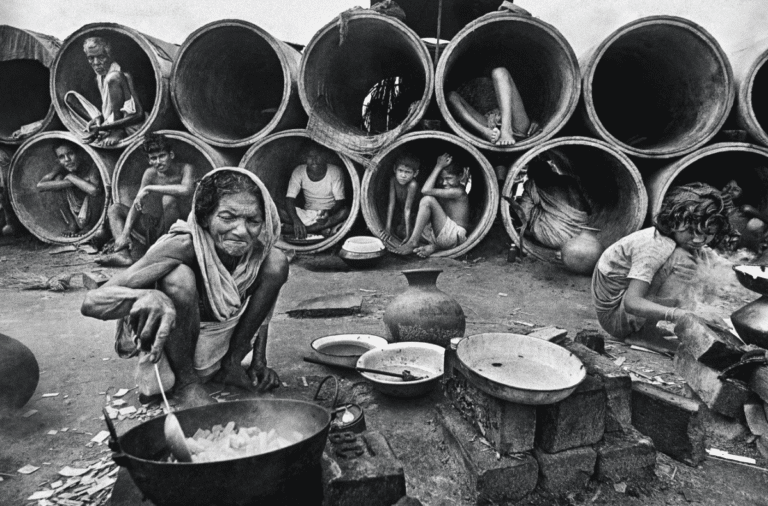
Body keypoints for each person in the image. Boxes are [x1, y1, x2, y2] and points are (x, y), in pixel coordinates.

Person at [81, 168, 288, 408]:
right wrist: (146, 296)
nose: (241, 231)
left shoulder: (255, 253)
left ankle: (231, 363)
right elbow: (91, 301)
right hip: (177, 349)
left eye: (252, 221)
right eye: (228, 217)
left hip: (220, 345)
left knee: (276, 261)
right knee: (177, 278)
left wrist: (258, 360)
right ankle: (187, 384)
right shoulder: (182, 245)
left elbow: (266, 307)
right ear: (205, 217)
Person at [591, 183, 731, 354]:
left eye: (707, 233)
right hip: (616, 318)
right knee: (682, 260)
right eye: (691, 231)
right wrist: (679, 314)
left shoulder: (681, 242)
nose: (698, 239)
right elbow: (632, 302)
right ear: (673, 221)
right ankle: (643, 334)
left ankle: (646, 328)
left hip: (626, 311)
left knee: (701, 260)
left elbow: (724, 268)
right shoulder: (655, 246)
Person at [98, 133, 194, 267]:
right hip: (155, 225)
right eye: (153, 158)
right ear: (149, 160)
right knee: (115, 209)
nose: (158, 162)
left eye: (162, 156)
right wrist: (125, 233)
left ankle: (166, 249)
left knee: (168, 199)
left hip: (179, 228)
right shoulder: (150, 173)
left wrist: (150, 188)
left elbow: (186, 189)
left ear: (171, 155)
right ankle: (123, 255)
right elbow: (137, 204)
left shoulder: (185, 168)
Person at [64, 36, 145, 147]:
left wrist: (104, 128)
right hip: (110, 123)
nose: (96, 63)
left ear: (109, 56)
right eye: (91, 58)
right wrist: (99, 120)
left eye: (101, 57)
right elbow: (111, 109)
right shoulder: (99, 78)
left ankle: (117, 130)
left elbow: (139, 115)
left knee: (113, 77)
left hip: (130, 125)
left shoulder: (120, 76)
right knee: (70, 98)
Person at [511, 149, 592, 249]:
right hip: (583, 234)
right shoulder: (569, 180)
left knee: (536, 209)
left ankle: (533, 234)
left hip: (555, 236)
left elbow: (523, 214)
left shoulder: (533, 185)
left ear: (531, 175)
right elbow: (586, 209)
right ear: (550, 169)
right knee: (543, 205)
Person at [395, 153, 470, 257]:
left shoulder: (458, 192)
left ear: (461, 176)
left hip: (454, 235)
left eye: (449, 178)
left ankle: (413, 242)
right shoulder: (445, 189)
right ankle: (434, 246)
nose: (444, 183)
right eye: (441, 179)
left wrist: (438, 166)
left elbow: (425, 190)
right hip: (442, 235)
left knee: (427, 200)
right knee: (401, 230)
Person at [447, 66, 538, 146]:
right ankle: (485, 132)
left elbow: (501, 73)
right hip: (490, 128)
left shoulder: (504, 95)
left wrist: (505, 128)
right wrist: (484, 131)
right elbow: (451, 97)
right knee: (451, 96)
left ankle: (506, 130)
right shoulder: (488, 114)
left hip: (515, 127)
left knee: (499, 72)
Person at [279, 147, 349, 240]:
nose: (314, 160)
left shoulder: (335, 171)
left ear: (325, 157)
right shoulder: (299, 171)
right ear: (305, 158)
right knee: (276, 208)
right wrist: (296, 221)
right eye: (310, 157)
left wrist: (329, 213)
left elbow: (340, 201)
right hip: (306, 214)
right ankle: (315, 229)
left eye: (318, 156)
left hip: (326, 215)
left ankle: (301, 230)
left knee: (345, 212)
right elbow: (289, 199)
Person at [36, 140, 102, 237]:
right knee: (57, 180)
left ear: (79, 153)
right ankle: (72, 224)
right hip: (75, 207)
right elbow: (40, 186)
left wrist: (72, 177)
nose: (67, 159)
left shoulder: (91, 165)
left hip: (92, 209)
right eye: (61, 157)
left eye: (70, 153)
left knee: (97, 188)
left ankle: (90, 226)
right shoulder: (60, 167)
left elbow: (94, 191)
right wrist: (74, 182)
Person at [382, 153, 420, 244]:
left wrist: (408, 234)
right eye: (400, 170)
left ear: (415, 173)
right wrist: (387, 228)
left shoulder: (412, 185)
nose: (403, 175)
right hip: (403, 212)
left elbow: (408, 209)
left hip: (416, 213)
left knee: (403, 233)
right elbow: (391, 204)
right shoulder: (393, 180)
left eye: (408, 172)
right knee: (398, 231)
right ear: (395, 169)